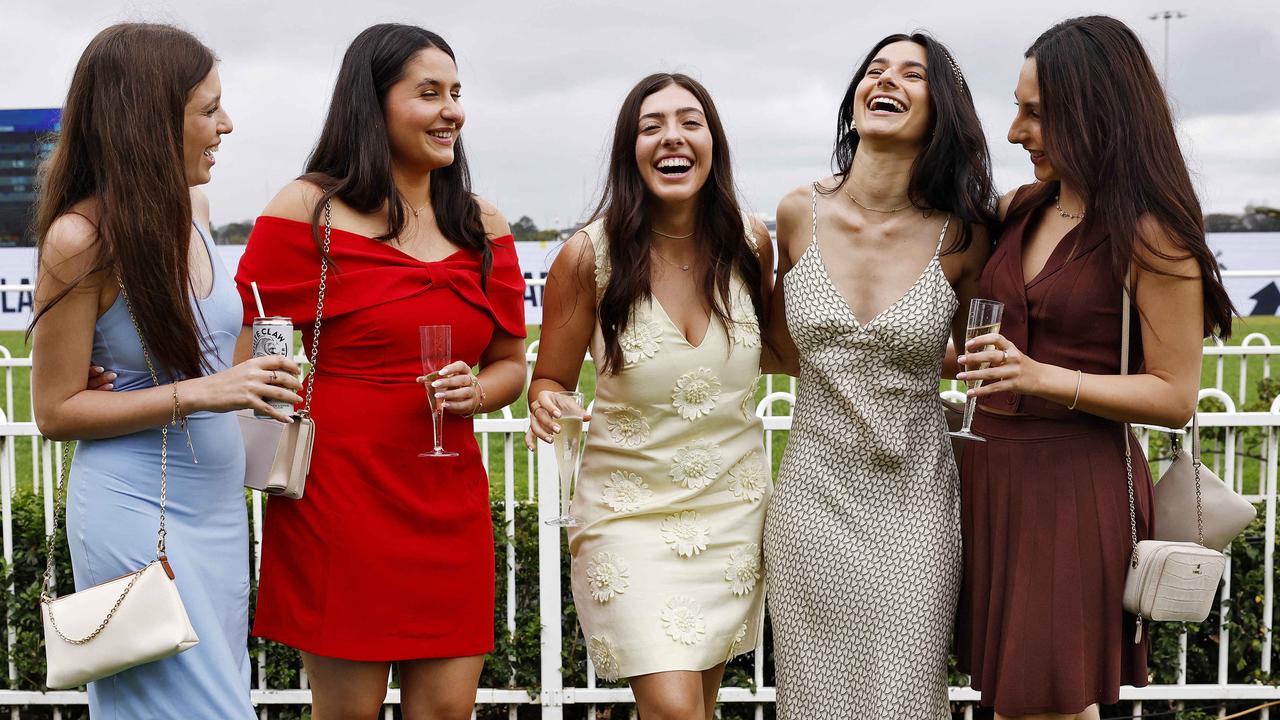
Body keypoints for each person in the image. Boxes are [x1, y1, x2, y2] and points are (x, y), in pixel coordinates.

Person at [234, 24, 527, 719]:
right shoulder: (309, 211)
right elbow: (246, 358)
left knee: (449, 710)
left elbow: (511, 364)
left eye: (456, 93)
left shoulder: (483, 223)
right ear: (372, 104)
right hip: (339, 498)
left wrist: (478, 391)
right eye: (429, 93)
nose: (451, 110)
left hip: (447, 493)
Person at [953, 16, 1235, 720]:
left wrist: (1041, 377)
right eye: (1018, 109)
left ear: (1095, 112)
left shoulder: (1149, 232)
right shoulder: (1020, 209)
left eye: (1036, 113)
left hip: (1071, 490)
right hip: (990, 483)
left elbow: (1175, 395)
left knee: (1047, 701)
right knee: (1010, 701)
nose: (1016, 132)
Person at [30, 22, 302, 718]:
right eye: (209, 109)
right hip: (133, 515)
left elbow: (214, 357)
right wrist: (203, 394)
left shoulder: (197, 211)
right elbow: (55, 410)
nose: (227, 125)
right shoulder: (79, 240)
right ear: (151, 118)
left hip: (216, 510)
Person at [762, 32, 996, 718]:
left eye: (912, 74)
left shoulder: (964, 234)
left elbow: (979, 366)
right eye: (875, 69)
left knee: (905, 695)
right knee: (812, 701)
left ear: (942, 110)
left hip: (915, 504)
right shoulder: (796, 214)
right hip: (810, 502)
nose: (886, 80)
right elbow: (778, 350)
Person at [526, 73, 773, 720]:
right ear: (629, 149)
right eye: (651, 125)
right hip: (627, 517)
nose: (673, 137)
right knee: (673, 707)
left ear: (712, 141)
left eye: (691, 121)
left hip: (732, 513)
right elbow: (548, 377)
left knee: (698, 704)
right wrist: (547, 399)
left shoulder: (752, 245)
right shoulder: (588, 257)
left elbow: (782, 350)